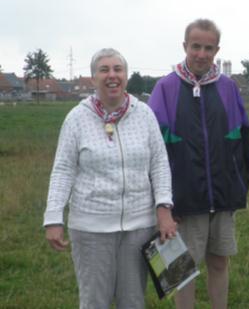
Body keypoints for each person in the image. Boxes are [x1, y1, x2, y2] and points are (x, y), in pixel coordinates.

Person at [43, 48, 177, 309]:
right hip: (91, 228)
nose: (111, 75)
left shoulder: (144, 114)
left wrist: (164, 207)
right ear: (93, 79)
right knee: (95, 301)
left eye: (118, 69)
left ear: (126, 76)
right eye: (104, 70)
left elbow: (160, 163)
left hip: (139, 227)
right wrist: (53, 218)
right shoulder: (76, 119)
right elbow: (63, 170)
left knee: (133, 301)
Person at [148, 19, 249, 309]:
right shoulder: (166, 88)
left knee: (219, 262)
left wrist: (237, 189)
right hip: (182, 202)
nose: (202, 54)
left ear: (217, 50)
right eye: (196, 46)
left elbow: (242, 141)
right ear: (185, 47)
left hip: (222, 198)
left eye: (208, 48)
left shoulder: (228, 88)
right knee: (182, 272)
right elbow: (153, 150)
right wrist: (164, 202)